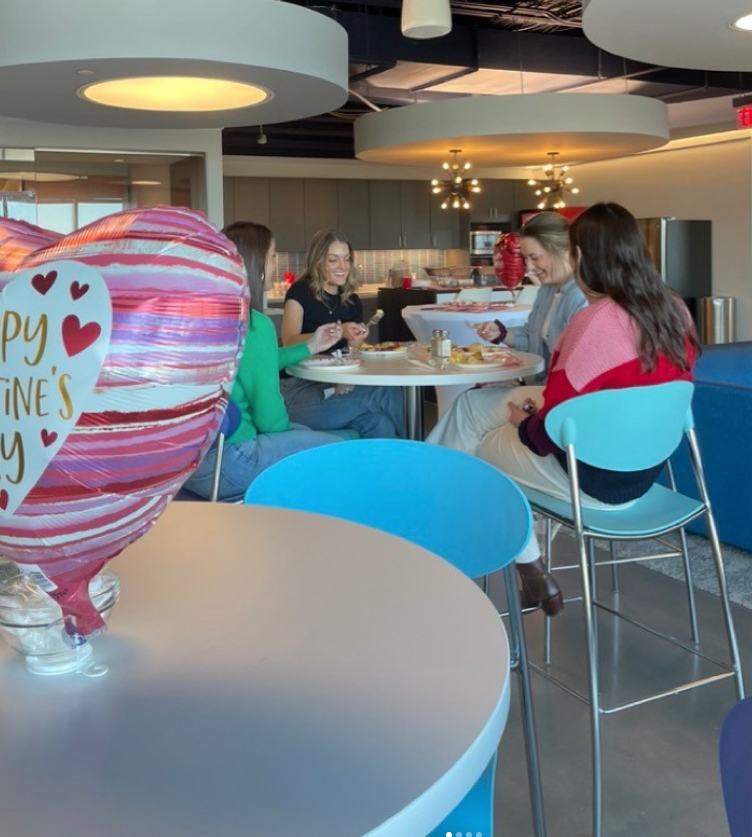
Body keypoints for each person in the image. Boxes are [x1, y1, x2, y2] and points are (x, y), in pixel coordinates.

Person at [474, 202, 699, 616]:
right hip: (647, 477)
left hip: (594, 485)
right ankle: (531, 573)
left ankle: (524, 568)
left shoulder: (595, 322)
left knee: (482, 448)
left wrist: (523, 423)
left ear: (580, 256)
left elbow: (544, 438)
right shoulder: (676, 310)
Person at [186, 221, 343, 501]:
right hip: (231, 460)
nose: (275, 264)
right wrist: (288, 439)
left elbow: (252, 362)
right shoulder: (253, 324)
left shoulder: (206, 318)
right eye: (272, 256)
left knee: (305, 433)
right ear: (255, 263)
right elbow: (270, 419)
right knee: (337, 448)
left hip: (193, 464)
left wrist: (309, 347)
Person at [428, 211, 587, 457]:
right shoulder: (547, 290)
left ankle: (432, 474)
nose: (530, 268)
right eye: (526, 259)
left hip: (557, 402)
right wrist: (502, 334)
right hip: (542, 389)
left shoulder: (579, 297)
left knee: (468, 406)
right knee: (471, 400)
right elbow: (531, 335)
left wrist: (525, 389)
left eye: (535, 258)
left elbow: (574, 371)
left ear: (563, 251)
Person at [280, 229, 405, 439]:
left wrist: (353, 342)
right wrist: (333, 334)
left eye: (347, 259)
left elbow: (351, 355)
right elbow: (289, 343)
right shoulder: (300, 292)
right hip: (298, 390)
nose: (343, 267)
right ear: (318, 262)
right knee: (385, 392)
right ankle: (415, 459)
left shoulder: (352, 300)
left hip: (334, 386)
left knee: (379, 424)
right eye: (333, 260)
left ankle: (387, 470)